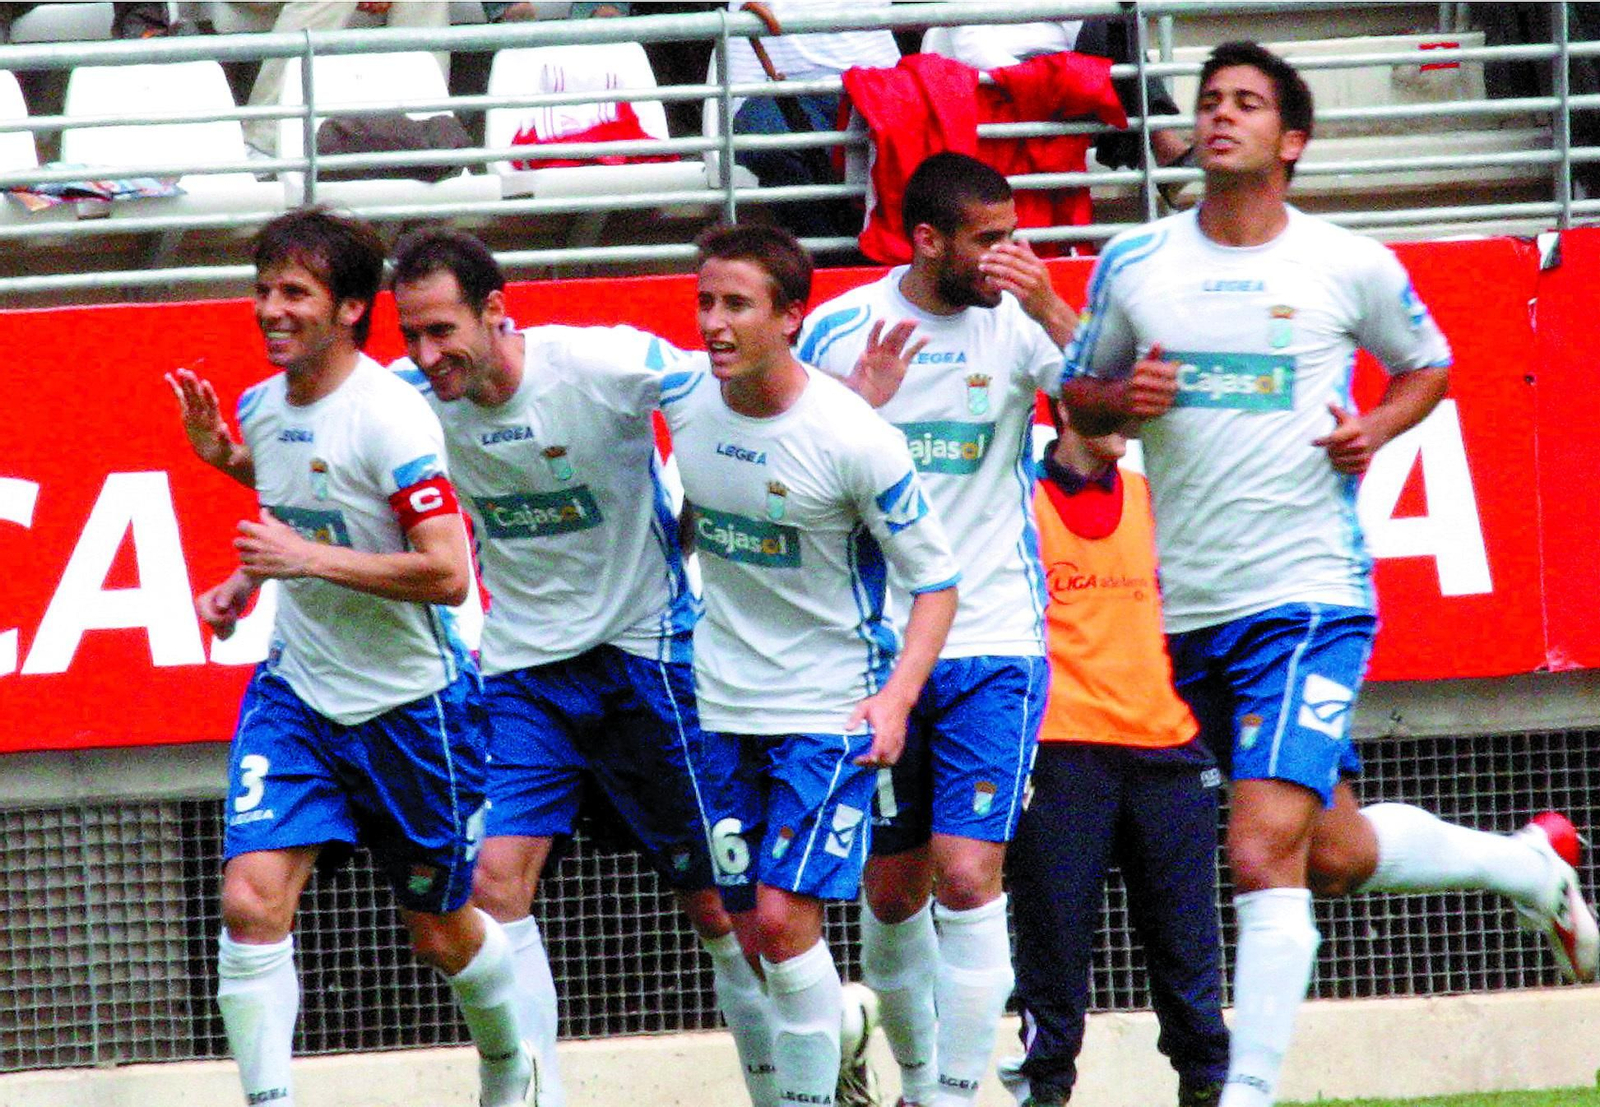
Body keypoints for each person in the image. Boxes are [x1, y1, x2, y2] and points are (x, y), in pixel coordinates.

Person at [1058, 41, 1599, 1107]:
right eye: (1210, 100)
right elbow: (1080, 393)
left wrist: (1374, 430)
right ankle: (1527, 866)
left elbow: (1427, 365)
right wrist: (1122, 402)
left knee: (1260, 851)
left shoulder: (1344, 261)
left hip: (1308, 598)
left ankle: (1245, 1095)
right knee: (1332, 853)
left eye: (1247, 103)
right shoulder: (1137, 263)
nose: (1221, 115)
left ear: (1291, 140)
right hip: (1192, 608)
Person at [384, 225, 772, 1107]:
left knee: (723, 907)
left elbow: (730, 392)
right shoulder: (405, 400)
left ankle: (792, 1088)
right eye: (411, 334)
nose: (426, 354)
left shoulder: (602, 364)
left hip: (648, 656)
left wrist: (709, 508)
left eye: (442, 330)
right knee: (492, 885)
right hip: (524, 670)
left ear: (495, 311)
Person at [165, 208, 535, 1107]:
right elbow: (308, 505)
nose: (270, 309)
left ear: (350, 309)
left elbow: (447, 573)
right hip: (298, 693)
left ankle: (509, 1064)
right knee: (250, 901)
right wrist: (242, 572)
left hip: (413, 708)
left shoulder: (393, 418)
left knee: (440, 930)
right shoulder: (263, 406)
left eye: (294, 292)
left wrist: (299, 559)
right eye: (263, 290)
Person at [797, 151, 1075, 1107]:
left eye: (1014, 235)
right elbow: (786, 469)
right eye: (989, 239)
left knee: (966, 874)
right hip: (876, 648)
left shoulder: (1020, 323)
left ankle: (952, 1097)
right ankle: (915, 1081)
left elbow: (1105, 409)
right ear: (926, 239)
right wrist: (855, 411)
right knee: (891, 892)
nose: (1009, 255)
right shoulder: (841, 328)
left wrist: (1051, 307)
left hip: (995, 636)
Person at [664, 222, 960, 1107]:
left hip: (828, 712)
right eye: (705, 302)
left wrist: (896, 700)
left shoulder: (854, 438)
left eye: (737, 304)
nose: (714, 323)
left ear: (791, 315)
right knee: (752, 932)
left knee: (785, 920)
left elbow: (937, 583)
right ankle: (843, 1029)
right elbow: (699, 521)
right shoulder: (686, 403)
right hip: (721, 706)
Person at [1001, 401, 1228, 1107]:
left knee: (1189, 949)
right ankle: (1046, 1088)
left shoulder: (1157, 499)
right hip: (1061, 752)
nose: (1125, 419)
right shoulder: (1015, 504)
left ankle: (1208, 1083)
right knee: (1053, 947)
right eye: (1110, 401)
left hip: (1170, 752)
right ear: (1067, 404)